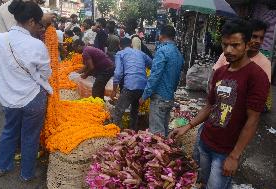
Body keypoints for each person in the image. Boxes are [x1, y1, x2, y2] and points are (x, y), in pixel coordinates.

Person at [170, 19, 270, 189]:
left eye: (235, 45)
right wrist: (188, 126)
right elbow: (210, 106)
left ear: (247, 45)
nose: (228, 50)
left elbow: (253, 120)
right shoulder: (221, 72)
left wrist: (234, 156)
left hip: (225, 151)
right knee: (201, 181)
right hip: (205, 141)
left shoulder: (257, 76)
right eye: (225, 45)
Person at [0, 0, 52, 181]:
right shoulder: (36, 45)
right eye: (40, 24)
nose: (41, 28)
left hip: (8, 98)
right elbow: (46, 73)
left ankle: (1, 167)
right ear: (32, 21)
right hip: (33, 98)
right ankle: (26, 175)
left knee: (9, 131)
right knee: (30, 137)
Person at [140, 25, 184, 137]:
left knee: (156, 135)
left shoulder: (162, 51)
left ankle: (161, 153)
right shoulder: (178, 53)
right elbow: (178, 77)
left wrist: (145, 95)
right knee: (163, 130)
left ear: (161, 35)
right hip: (169, 97)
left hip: (159, 97)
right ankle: (166, 152)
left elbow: (155, 75)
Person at [111, 38, 152, 131]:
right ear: (131, 45)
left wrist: (114, 90)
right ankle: (133, 130)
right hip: (142, 86)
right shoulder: (141, 53)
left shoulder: (120, 53)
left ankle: (114, 132)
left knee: (118, 110)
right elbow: (153, 65)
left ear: (120, 46)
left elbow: (118, 73)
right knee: (134, 109)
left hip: (130, 85)